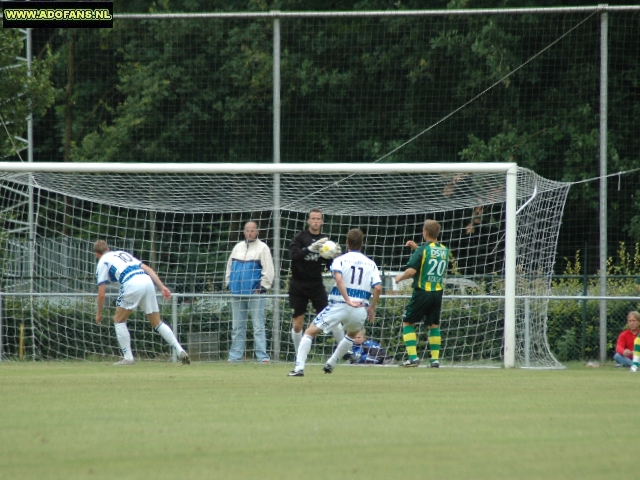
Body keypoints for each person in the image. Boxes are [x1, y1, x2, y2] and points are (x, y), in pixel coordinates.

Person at [288, 228, 382, 376]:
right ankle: (331, 363)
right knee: (351, 335)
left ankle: (299, 368)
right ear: (362, 243)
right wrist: (372, 307)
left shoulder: (339, 260)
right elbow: (378, 288)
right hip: (360, 308)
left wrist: (347, 300)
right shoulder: (371, 264)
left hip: (340, 304)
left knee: (309, 332)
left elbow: (338, 279)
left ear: (346, 242)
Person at [94, 240, 190, 366]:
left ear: (96, 254)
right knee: (157, 322)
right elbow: (148, 269)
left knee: (118, 320)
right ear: (108, 248)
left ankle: (128, 358)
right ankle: (180, 350)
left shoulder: (102, 262)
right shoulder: (122, 254)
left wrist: (99, 313)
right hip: (147, 280)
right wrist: (162, 287)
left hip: (131, 282)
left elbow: (101, 294)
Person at [394, 219, 450, 368]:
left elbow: (412, 270)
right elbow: (431, 257)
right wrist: (417, 248)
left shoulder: (423, 250)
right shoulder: (444, 249)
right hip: (437, 292)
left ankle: (413, 358)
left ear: (425, 233)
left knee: (408, 322)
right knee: (433, 325)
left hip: (422, 291)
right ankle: (435, 360)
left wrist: (400, 277)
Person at [288, 208, 343, 354]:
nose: (315, 221)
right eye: (313, 218)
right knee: (298, 325)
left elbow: (329, 266)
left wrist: (335, 257)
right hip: (298, 285)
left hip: (316, 284)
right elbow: (293, 255)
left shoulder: (326, 241)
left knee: (331, 317)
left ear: (322, 221)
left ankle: (346, 352)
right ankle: (298, 355)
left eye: (318, 219)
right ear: (308, 221)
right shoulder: (300, 238)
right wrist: (310, 249)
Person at [225, 221, 275, 363]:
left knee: (258, 326)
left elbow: (268, 270)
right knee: (237, 327)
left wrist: (262, 287)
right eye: (247, 230)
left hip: (255, 294)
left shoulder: (263, 248)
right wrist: (229, 285)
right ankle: (235, 357)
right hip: (237, 293)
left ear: (257, 232)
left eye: (252, 230)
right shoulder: (237, 248)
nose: (250, 233)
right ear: (243, 232)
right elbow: (229, 267)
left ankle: (262, 357)